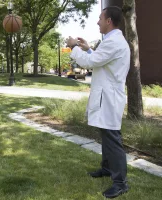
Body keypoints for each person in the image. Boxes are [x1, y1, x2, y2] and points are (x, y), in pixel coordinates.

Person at [66, 6, 130, 199]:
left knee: (111, 137)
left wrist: (74, 47)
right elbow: (100, 60)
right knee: (106, 133)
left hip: (109, 98)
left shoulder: (114, 42)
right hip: (107, 96)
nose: (97, 22)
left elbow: (90, 63)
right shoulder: (112, 41)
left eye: (100, 18)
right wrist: (88, 49)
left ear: (109, 20)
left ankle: (120, 183)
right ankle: (107, 168)